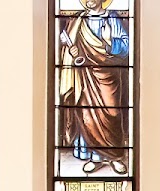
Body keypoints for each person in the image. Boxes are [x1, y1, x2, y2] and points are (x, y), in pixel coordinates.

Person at [58, 0, 131, 175]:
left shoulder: (111, 18)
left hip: (109, 74)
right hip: (85, 74)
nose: (88, 2)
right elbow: (69, 51)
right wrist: (72, 52)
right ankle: (95, 157)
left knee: (112, 112)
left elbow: (126, 47)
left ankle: (114, 157)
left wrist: (108, 43)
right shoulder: (79, 21)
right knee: (87, 114)